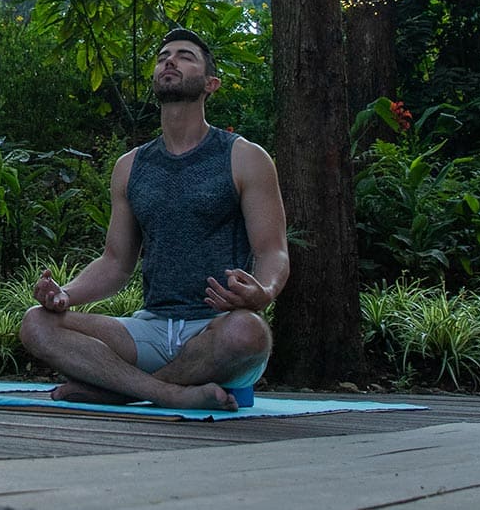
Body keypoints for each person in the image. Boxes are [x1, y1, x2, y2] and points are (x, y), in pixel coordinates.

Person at [18, 28, 288, 411]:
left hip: (216, 329)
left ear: (211, 84)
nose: (169, 61)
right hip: (150, 329)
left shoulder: (244, 157)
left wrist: (263, 292)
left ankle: (119, 389)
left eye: (185, 56)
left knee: (249, 333)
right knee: (36, 323)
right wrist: (65, 294)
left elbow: (272, 250)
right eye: (163, 56)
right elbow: (115, 263)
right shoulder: (130, 167)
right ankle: (168, 393)